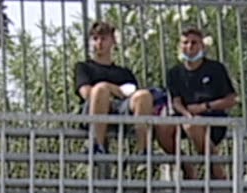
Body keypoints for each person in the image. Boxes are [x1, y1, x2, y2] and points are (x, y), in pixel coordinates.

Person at [73, 20, 173, 156]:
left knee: (143, 95)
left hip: (121, 109)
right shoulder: (84, 67)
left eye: (103, 38)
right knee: (101, 89)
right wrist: (113, 89)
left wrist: (114, 91)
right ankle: (97, 146)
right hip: (93, 109)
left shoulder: (124, 73)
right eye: (95, 39)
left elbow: (132, 93)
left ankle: (144, 151)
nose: (99, 43)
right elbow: (86, 93)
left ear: (113, 41)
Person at [164, 27, 240, 180]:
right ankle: (187, 166)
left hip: (214, 121)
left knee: (192, 125)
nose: (189, 47)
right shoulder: (174, 73)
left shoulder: (216, 69)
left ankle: (216, 170)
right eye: (185, 43)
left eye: (194, 43)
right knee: (162, 127)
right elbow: (176, 101)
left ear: (202, 46)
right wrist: (187, 114)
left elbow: (232, 99)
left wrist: (204, 107)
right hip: (186, 119)